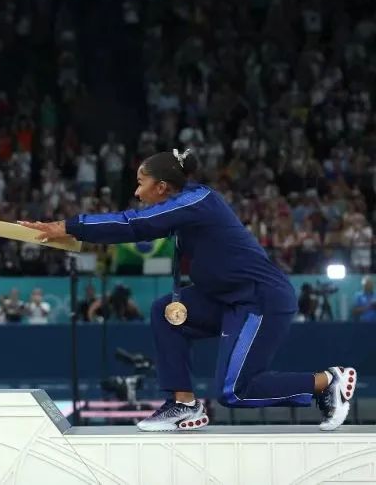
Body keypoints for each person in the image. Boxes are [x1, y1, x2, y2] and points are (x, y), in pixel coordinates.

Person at [20, 149, 357, 432]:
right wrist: (74, 233)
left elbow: (134, 225)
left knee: (235, 392)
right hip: (224, 298)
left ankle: (328, 382)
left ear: (162, 187)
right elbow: (138, 226)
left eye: (141, 183)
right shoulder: (184, 206)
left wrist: (67, 226)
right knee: (165, 313)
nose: (136, 192)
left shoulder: (197, 200)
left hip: (260, 299)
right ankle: (183, 404)